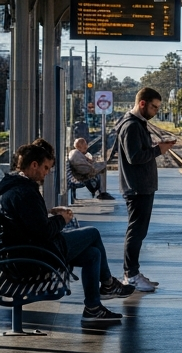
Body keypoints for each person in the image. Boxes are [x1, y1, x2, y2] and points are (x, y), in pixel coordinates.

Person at [0, 140, 135, 327]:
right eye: (46, 168)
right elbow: (44, 232)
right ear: (34, 165)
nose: (47, 173)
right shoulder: (24, 193)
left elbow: (30, 223)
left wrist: (50, 214)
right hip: (34, 258)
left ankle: (93, 308)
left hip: (23, 254)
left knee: (92, 254)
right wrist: (62, 219)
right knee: (92, 233)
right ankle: (109, 285)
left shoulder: (12, 187)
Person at [116, 87, 175, 293]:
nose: (156, 111)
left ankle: (133, 272)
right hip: (137, 187)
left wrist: (156, 147)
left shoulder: (137, 124)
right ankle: (131, 275)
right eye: (154, 107)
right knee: (136, 232)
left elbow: (139, 152)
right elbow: (134, 157)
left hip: (141, 186)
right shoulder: (131, 125)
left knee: (139, 232)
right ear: (142, 103)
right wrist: (159, 150)